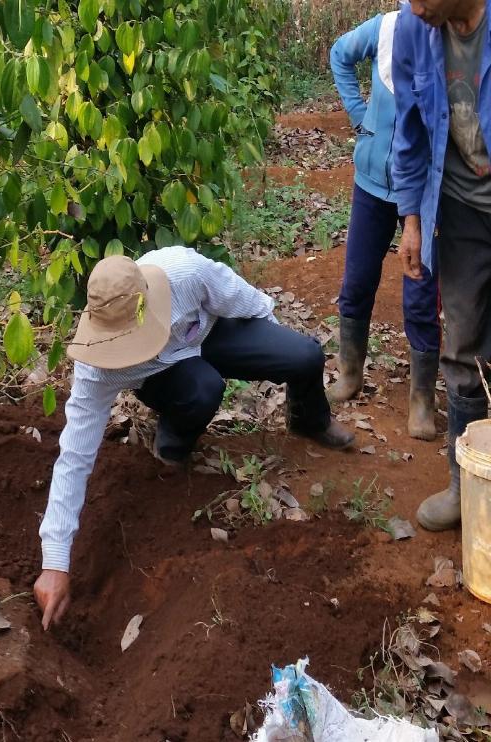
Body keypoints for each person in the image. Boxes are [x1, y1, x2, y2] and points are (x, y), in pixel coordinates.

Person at [34, 246, 355, 629]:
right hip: (167, 376)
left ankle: (309, 420)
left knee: (303, 355)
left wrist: (269, 347)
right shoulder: (97, 366)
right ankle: (173, 443)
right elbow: (74, 456)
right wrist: (55, 562)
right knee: (203, 389)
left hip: (210, 334)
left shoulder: (185, 273)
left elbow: (248, 302)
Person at [392, 0, 491, 531]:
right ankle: (465, 484)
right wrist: (411, 219)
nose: (414, 2)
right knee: (463, 349)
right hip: (459, 208)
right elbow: (410, 129)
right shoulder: (416, 26)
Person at [328, 9, 441, 441]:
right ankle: (350, 372)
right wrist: (361, 116)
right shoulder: (387, 28)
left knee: (421, 294)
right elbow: (340, 53)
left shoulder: (450, 39)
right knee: (357, 281)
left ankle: (422, 400)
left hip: (427, 190)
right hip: (372, 182)